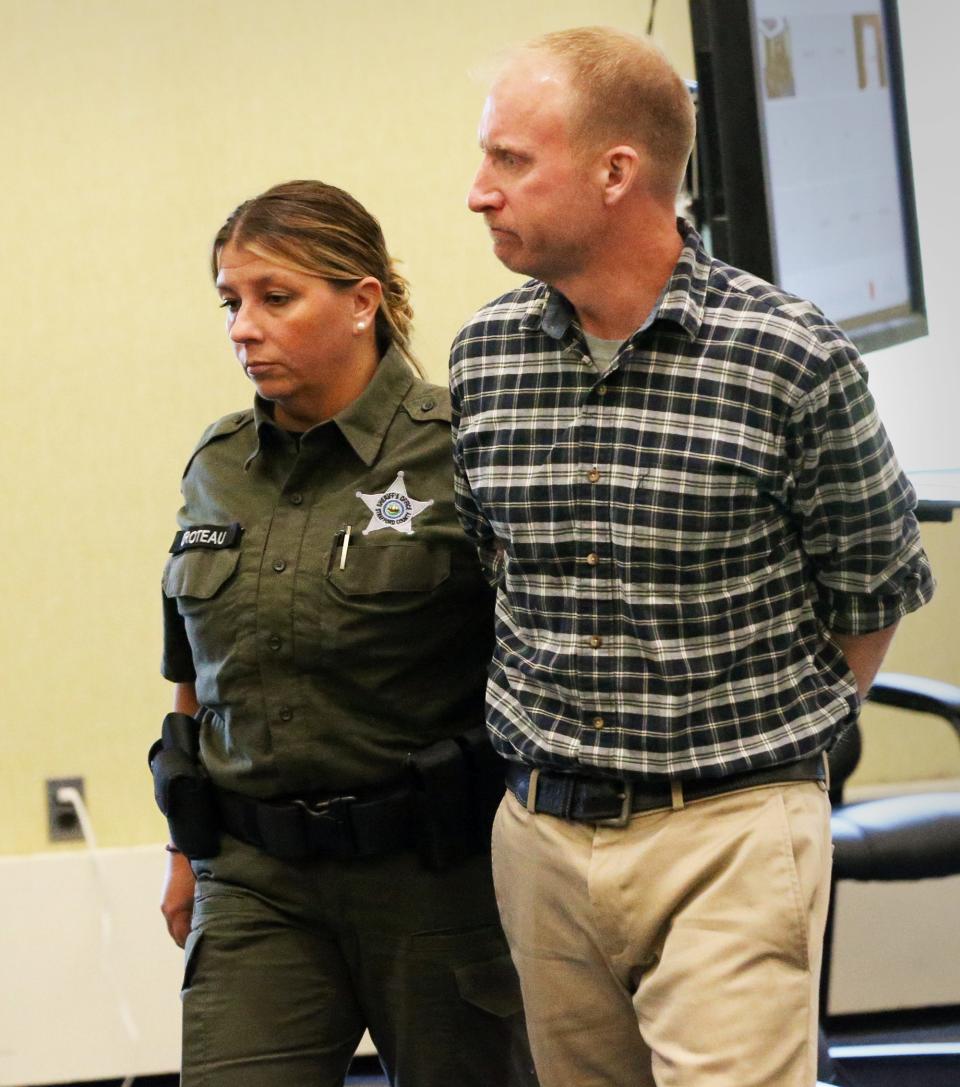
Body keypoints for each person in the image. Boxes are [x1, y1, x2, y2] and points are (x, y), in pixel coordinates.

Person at [450, 26, 934, 1087]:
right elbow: (502, 574)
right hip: (541, 831)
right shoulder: (484, 357)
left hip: (731, 829)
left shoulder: (788, 355)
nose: (479, 192)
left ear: (618, 172)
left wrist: (766, 777)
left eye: (510, 160)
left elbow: (871, 592)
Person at [156, 180, 536, 1087]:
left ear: (363, 300)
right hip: (255, 876)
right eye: (231, 302)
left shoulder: (462, 446)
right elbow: (191, 669)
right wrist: (182, 848)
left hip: (437, 876)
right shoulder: (219, 466)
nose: (243, 327)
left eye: (274, 298)